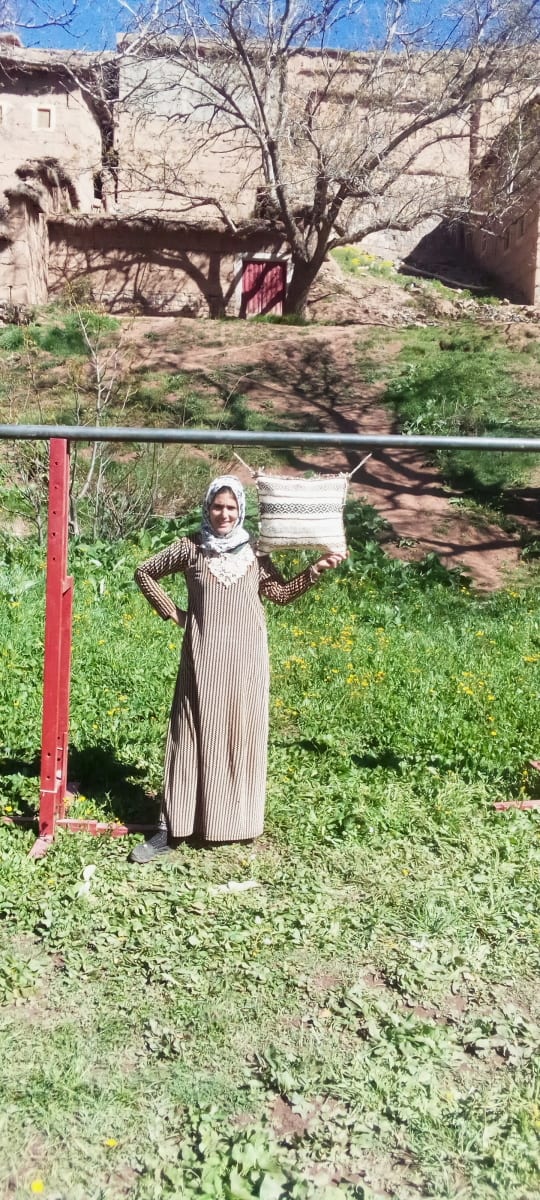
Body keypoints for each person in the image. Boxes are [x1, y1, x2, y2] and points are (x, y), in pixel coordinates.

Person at [129, 475, 346, 863]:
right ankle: (171, 827)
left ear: (241, 510)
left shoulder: (256, 554)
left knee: (237, 732)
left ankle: (231, 823)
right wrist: (174, 613)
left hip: (247, 659)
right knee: (190, 732)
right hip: (203, 656)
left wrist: (316, 569)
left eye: (231, 508)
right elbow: (145, 572)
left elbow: (279, 594)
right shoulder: (190, 548)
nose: (224, 514)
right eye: (217, 506)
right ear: (207, 508)